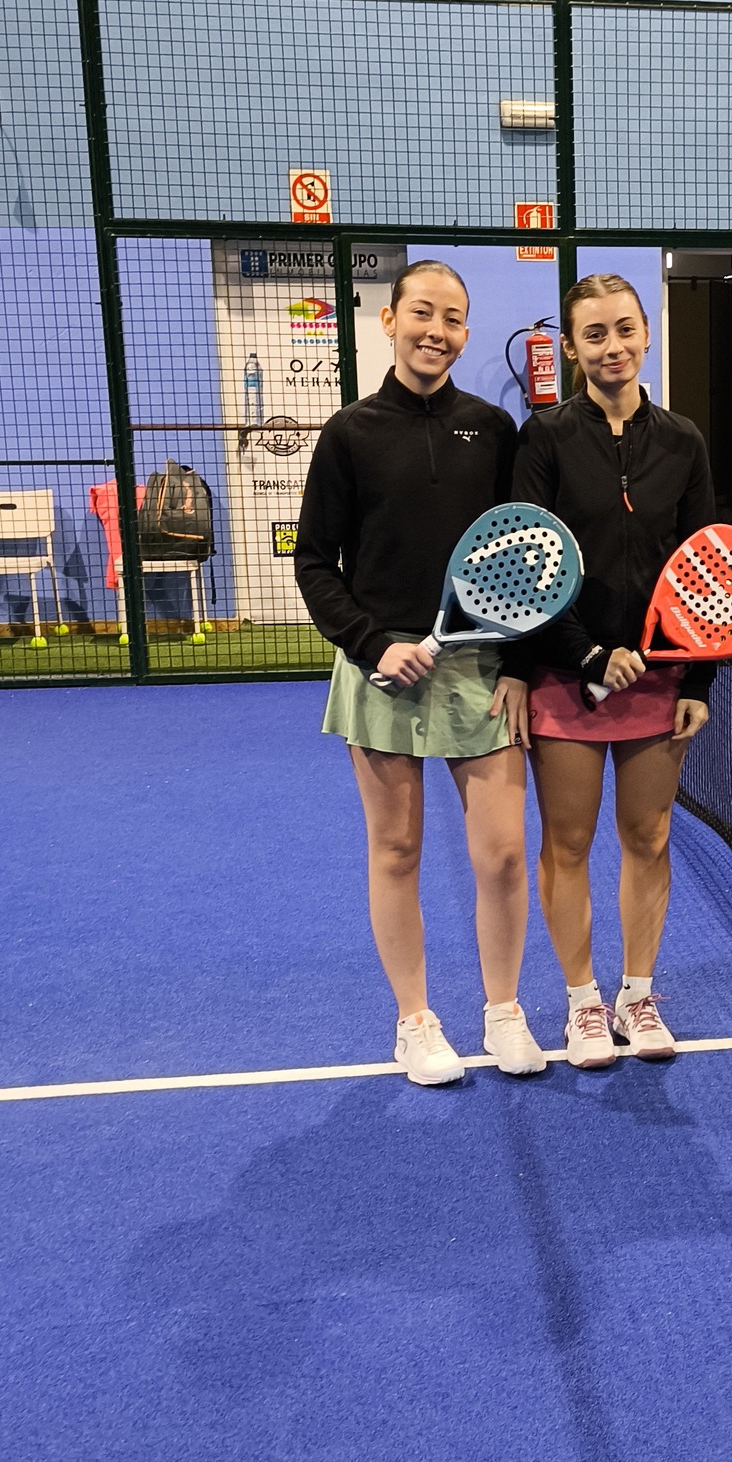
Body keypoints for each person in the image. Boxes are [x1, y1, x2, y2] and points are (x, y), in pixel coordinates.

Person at [293, 258, 545, 1088]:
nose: (437, 330)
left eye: (453, 318)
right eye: (423, 313)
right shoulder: (349, 433)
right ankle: (415, 1023)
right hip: (383, 669)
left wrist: (517, 664)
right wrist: (372, 644)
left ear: (466, 333)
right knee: (397, 848)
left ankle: (503, 1012)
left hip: (481, 669)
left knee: (502, 855)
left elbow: (521, 558)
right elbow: (314, 562)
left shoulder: (494, 430)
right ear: (390, 321)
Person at [511, 273, 715, 1070]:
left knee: (648, 836)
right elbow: (528, 564)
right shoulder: (544, 438)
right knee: (567, 840)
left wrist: (697, 679)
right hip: (567, 675)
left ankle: (637, 994)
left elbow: (702, 568)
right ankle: (582, 1004)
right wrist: (586, 653)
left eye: (625, 329)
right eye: (594, 334)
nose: (613, 347)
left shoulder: (684, 441)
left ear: (645, 334)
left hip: (658, 678)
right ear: (571, 347)